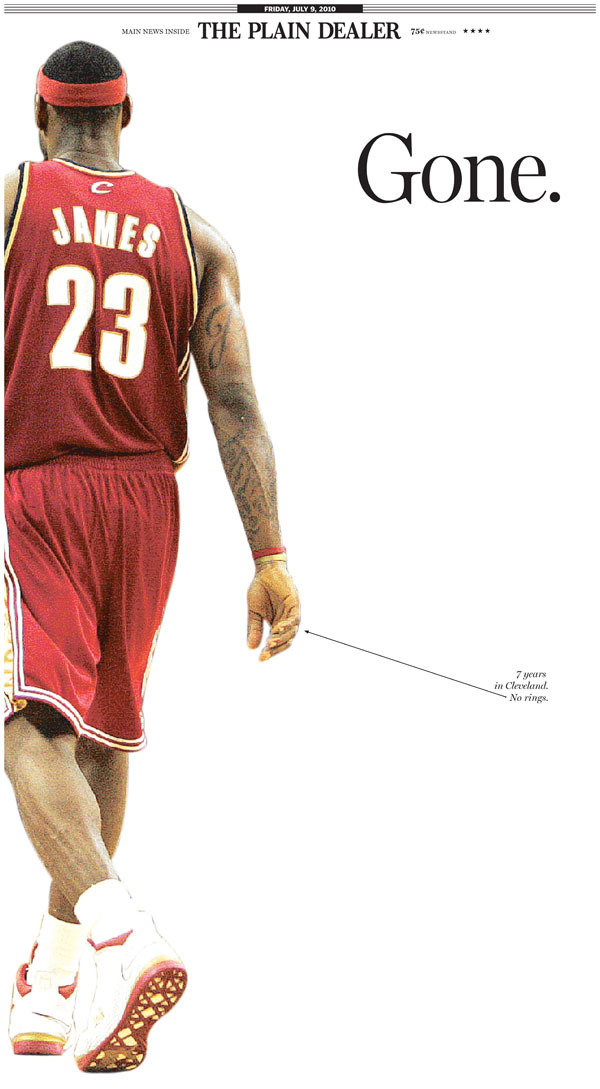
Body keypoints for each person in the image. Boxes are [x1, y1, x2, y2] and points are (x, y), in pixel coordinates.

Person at [4, 40, 300, 1073]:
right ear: (126, 116)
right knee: (104, 732)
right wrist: (270, 555)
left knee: (25, 720)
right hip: (145, 501)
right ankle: (52, 981)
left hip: (36, 487)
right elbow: (235, 404)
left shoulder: (13, 200)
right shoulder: (196, 232)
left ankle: (120, 932)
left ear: (40, 116)